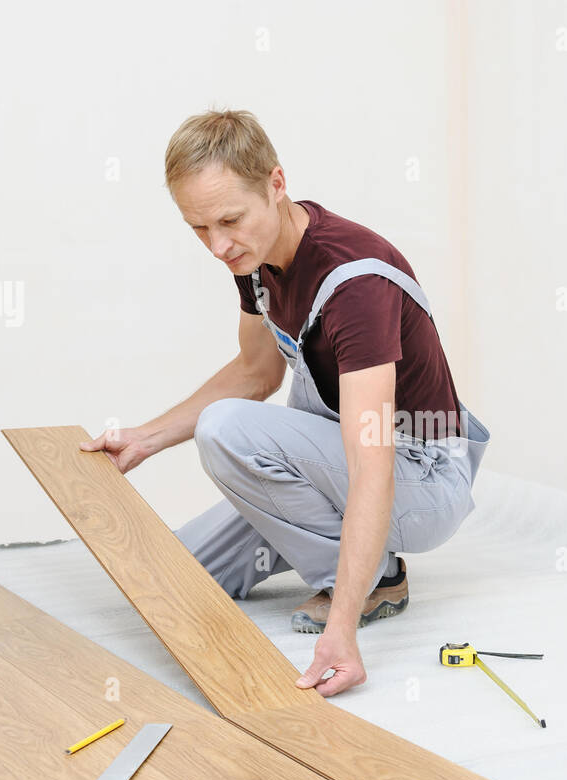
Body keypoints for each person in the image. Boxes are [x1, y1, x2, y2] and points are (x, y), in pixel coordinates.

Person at [80, 109, 490, 697]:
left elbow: (371, 460)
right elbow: (256, 372)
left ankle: (378, 579)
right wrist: (143, 438)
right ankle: (346, 559)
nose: (218, 245)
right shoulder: (255, 257)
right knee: (170, 579)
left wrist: (344, 628)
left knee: (224, 430)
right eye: (199, 228)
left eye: (229, 220)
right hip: (333, 463)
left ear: (276, 185)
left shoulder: (355, 283)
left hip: (420, 476)